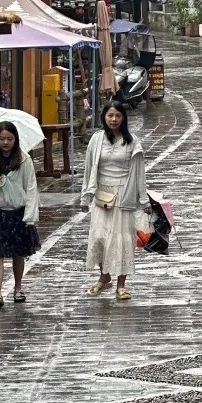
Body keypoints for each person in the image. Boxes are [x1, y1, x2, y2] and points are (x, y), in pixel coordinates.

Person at [80, 100, 148, 301]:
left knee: (121, 240)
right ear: (104, 117)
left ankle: (121, 284)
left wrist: (144, 201)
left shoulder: (132, 141)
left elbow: (139, 173)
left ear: (124, 118)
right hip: (102, 195)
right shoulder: (96, 139)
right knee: (100, 237)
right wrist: (86, 196)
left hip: (124, 194)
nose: (114, 119)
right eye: (110, 115)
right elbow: (88, 169)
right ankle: (104, 276)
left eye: (118, 116)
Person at [0, 121, 40, 308]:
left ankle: (18, 288)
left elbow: (31, 188)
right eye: (2, 139)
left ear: (15, 139)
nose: (6, 142)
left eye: (9, 139)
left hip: (17, 212)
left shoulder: (24, 159)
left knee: (18, 253)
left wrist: (30, 215)